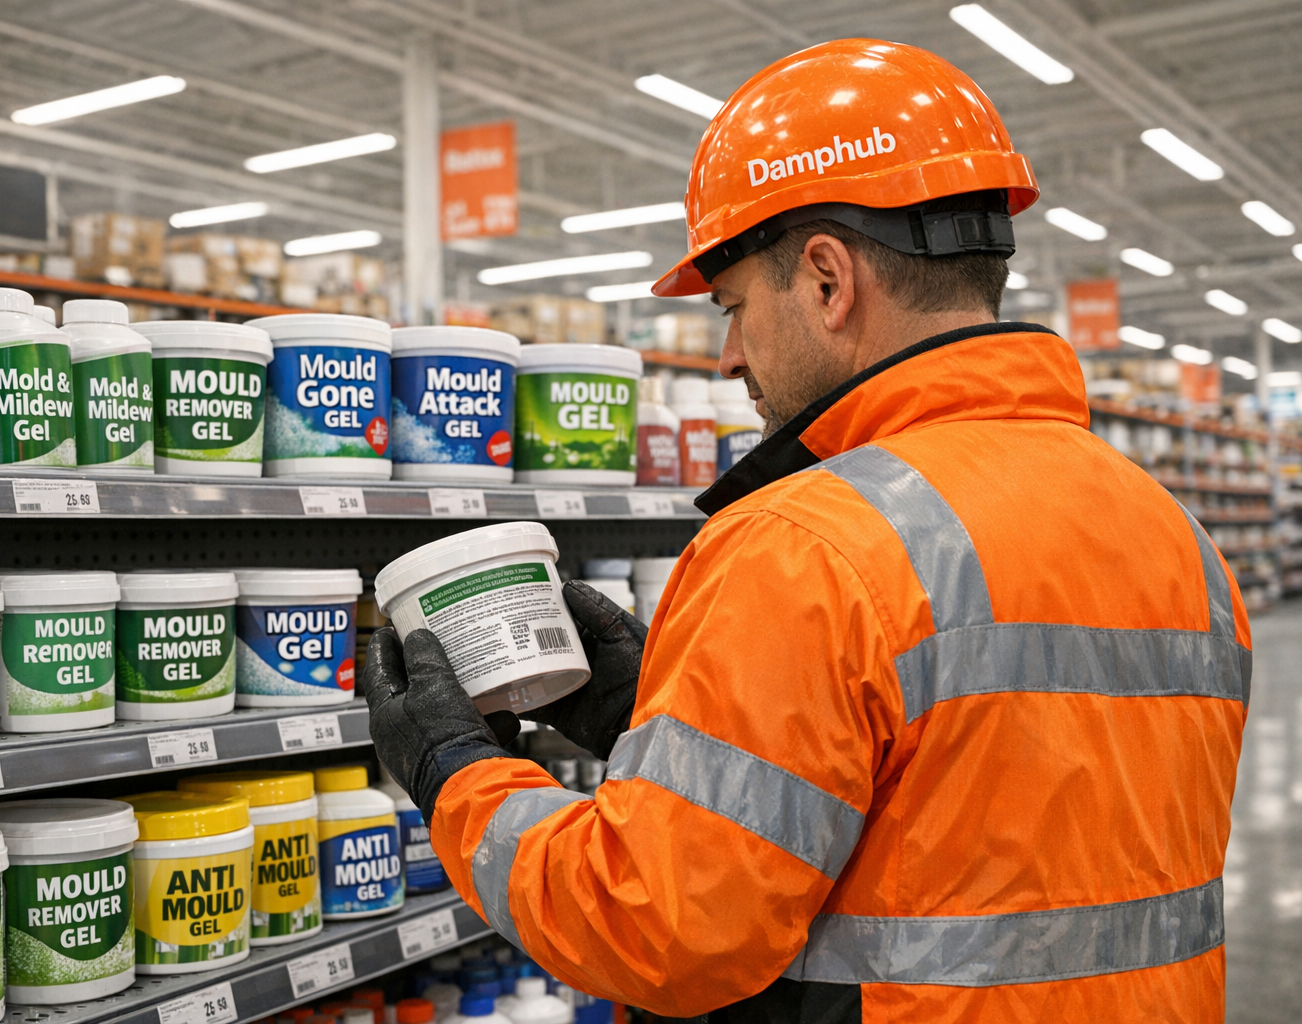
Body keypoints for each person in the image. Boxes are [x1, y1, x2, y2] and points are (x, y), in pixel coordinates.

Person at [366, 38, 1248, 1023]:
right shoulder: (1178, 536)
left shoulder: (809, 543)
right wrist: (662, 716)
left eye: (736, 308)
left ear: (827, 280)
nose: (730, 356)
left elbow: (651, 927)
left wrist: (456, 774)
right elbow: (979, 813)